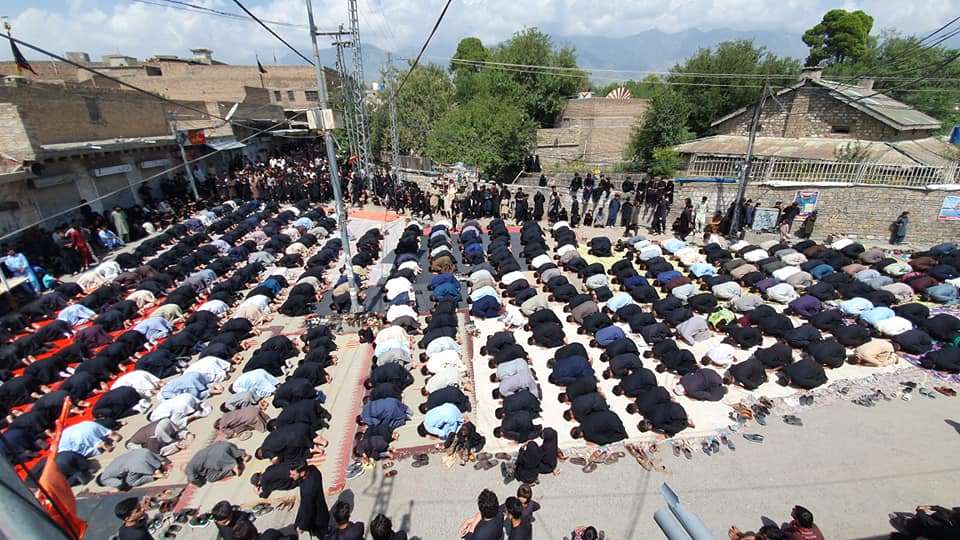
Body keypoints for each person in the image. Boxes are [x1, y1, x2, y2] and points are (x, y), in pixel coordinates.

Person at [293, 462, 330, 538]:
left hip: (316, 521)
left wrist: (302, 526)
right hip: (322, 511)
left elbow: (307, 511)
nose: (290, 476)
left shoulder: (308, 491)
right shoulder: (313, 470)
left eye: (293, 474)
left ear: (302, 473)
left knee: (322, 535)